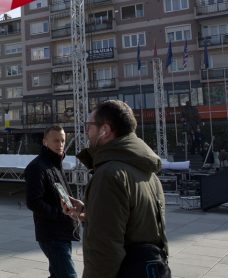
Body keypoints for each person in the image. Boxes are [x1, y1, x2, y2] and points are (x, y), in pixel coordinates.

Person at [64, 100, 169, 278]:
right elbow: (135, 226)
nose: (86, 132)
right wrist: (88, 213)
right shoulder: (147, 172)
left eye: (89, 126)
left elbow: (104, 250)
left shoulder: (110, 174)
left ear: (104, 130)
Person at [25, 125, 79, 278]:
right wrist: (59, 214)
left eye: (62, 140)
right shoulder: (37, 167)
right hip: (52, 235)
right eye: (55, 141)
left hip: (62, 231)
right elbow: (33, 201)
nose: (60, 144)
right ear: (45, 142)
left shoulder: (55, 163)